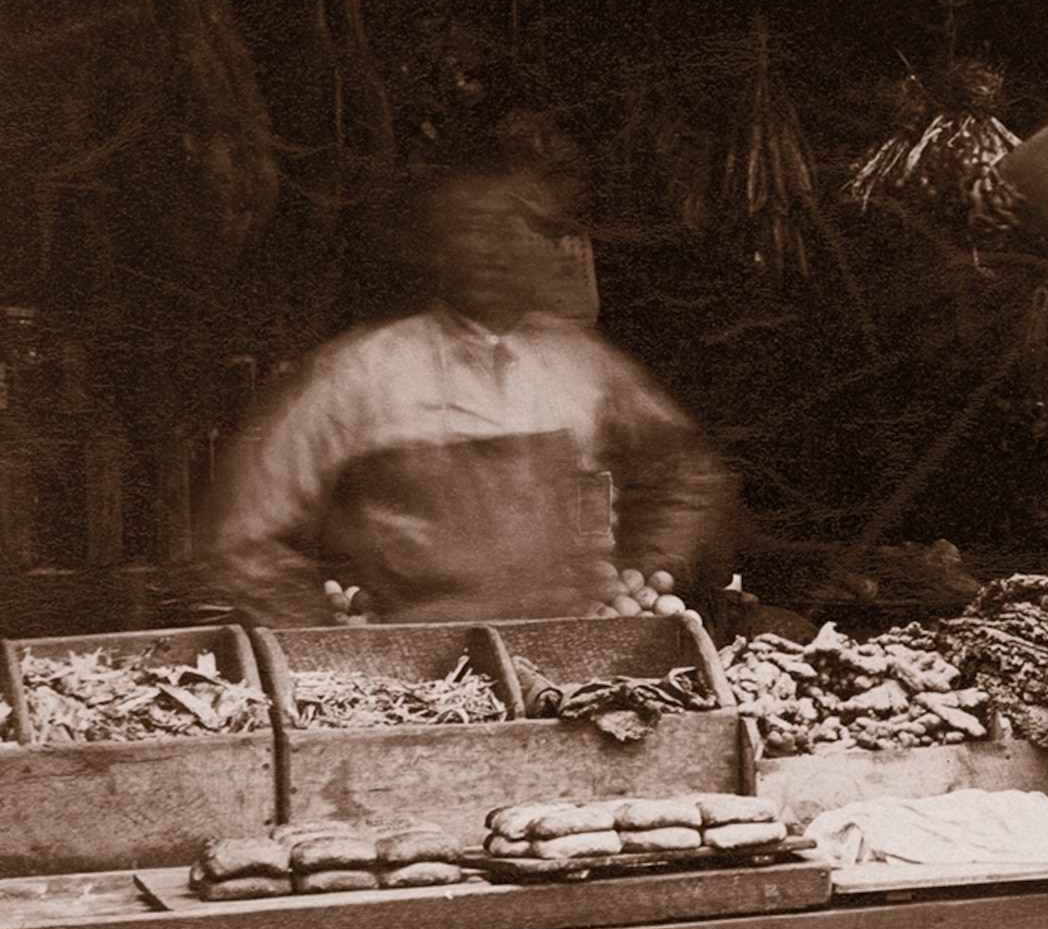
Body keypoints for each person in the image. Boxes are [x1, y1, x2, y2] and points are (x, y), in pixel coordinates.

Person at [206, 163, 732, 624]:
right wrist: (333, 654)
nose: (494, 250)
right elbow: (244, 540)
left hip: (575, 662)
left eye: (516, 229)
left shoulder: (584, 365)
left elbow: (691, 473)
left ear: (548, 248)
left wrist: (650, 573)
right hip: (423, 681)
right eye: (472, 228)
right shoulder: (359, 374)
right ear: (436, 248)